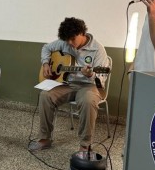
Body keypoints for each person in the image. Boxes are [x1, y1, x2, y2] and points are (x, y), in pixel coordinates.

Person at [29, 17, 109, 151]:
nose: (70, 43)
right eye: (67, 40)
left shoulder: (98, 49)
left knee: (88, 101)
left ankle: (85, 146)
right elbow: (46, 48)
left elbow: (101, 79)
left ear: (82, 33)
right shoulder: (65, 42)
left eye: (73, 39)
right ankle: (44, 139)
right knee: (45, 95)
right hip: (67, 84)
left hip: (89, 86)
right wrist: (45, 63)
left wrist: (91, 74)